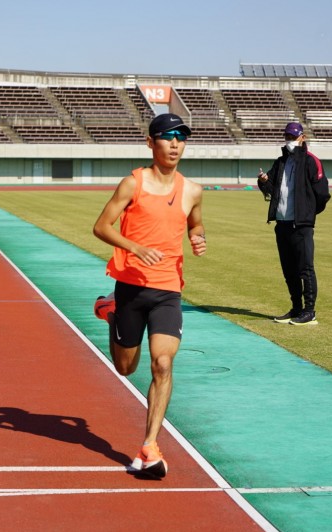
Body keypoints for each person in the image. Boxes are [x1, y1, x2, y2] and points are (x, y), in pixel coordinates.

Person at [92, 113, 206, 479]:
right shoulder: (132, 184)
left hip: (168, 291)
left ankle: (150, 444)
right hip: (130, 288)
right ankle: (111, 313)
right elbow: (100, 227)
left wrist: (197, 237)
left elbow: (196, 221)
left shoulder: (192, 190)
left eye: (181, 137)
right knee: (126, 369)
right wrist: (134, 247)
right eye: (168, 137)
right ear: (150, 142)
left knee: (163, 364)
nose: (175, 144)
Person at [257, 122, 330, 326]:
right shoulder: (281, 161)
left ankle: (309, 311)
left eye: (293, 137)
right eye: (287, 136)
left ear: (302, 137)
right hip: (282, 223)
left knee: (305, 268)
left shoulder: (311, 161)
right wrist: (263, 181)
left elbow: (322, 193)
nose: (290, 140)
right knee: (288, 269)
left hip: (301, 224)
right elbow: (271, 189)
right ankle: (296, 308)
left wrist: (308, 213)